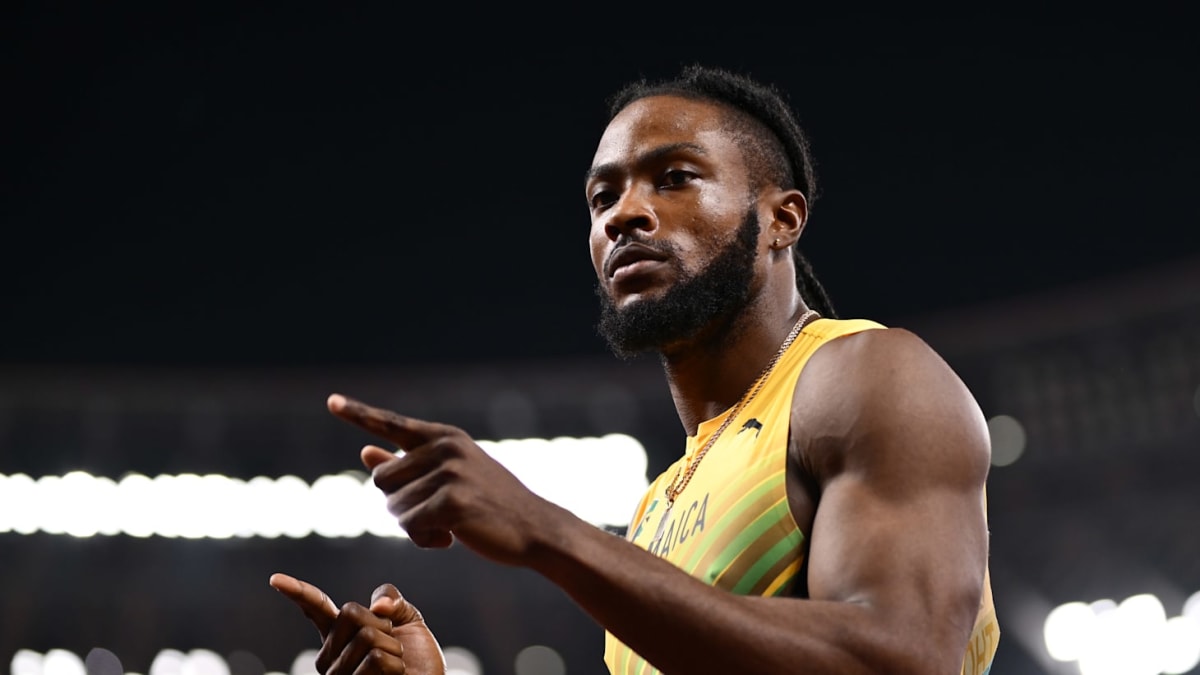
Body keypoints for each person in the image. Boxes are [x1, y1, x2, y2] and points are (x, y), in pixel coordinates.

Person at [270, 63, 1000, 675]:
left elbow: (905, 659)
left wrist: (546, 530)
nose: (624, 214)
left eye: (674, 178)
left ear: (783, 219)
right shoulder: (655, 511)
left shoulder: (865, 374)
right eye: (602, 196)